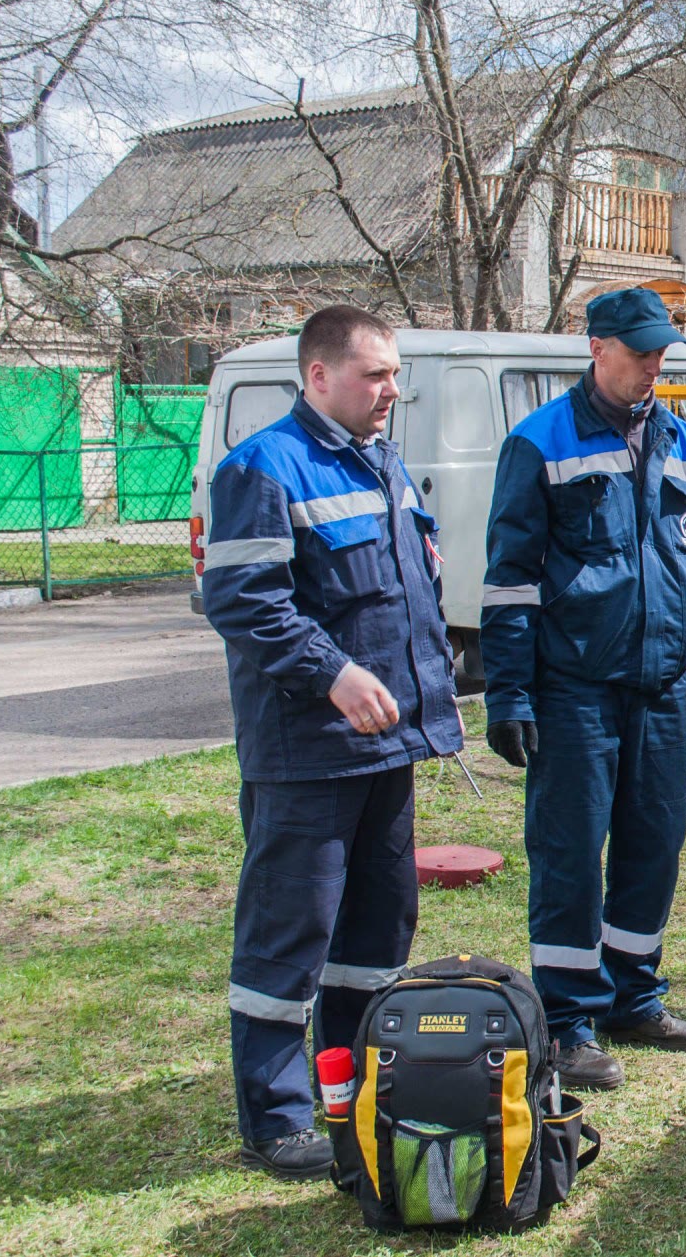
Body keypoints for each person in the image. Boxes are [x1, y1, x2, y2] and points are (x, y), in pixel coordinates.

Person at [203, 304, 462, 1179]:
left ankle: (347, 1086)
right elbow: (243, 602)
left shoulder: (382, 461)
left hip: (385, 752)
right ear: (317, 375)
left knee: (376, 932)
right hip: (308, 752)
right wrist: (334, 674)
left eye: (394, 373)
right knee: (289, 937)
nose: (392, 390)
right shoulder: (263, 467)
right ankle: (274, 1117)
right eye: (374, 374)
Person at [480, 287, 686, 1090]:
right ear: (596, 347)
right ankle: (566, 1021)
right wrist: (509, 695)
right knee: (569, 858)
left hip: (659, 688)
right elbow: (511, 582)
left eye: (662, 351)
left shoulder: (682, 439)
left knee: (653, 847)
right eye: (639, 351)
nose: (654, 364)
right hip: (575, 693)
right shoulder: (539, 443)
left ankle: (634, 996)